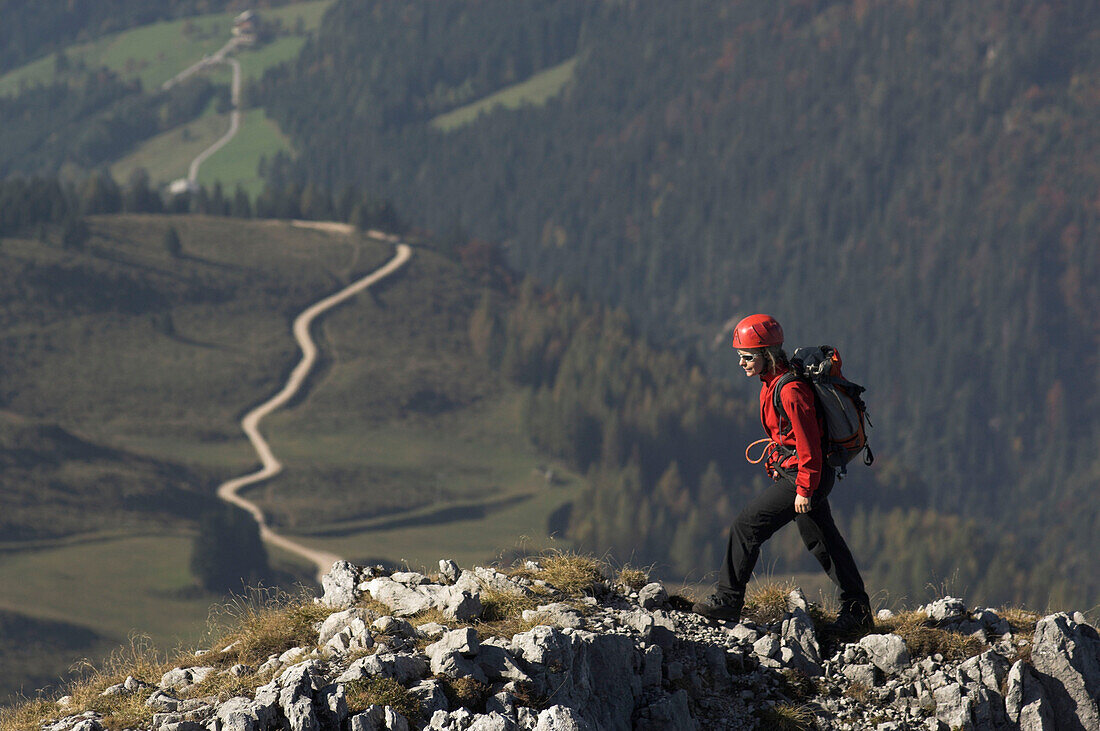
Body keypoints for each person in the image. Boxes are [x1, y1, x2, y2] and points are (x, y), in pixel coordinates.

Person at [692, 314, 873, 632]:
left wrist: (804, 487)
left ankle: (727, 601)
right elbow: (790, 437)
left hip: (805, 477)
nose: (742, 363)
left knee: (746, 527)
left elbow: (810, 445)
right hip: (803, 474)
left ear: (767, 355)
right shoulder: (774, 383)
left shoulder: (790, 391)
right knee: (824, 541)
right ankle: (857, 610)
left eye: (747, 357)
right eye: (740, 357)